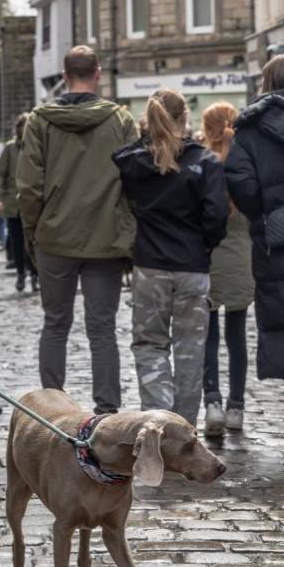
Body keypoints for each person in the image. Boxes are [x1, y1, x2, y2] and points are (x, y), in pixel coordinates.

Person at [18, 45, 138, 415]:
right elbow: (135, 181)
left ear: (65, 76)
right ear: (97, 73)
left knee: (55, 324)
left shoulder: (40, 120)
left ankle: (52, 407)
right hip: (107, 240)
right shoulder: (121, 120)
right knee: (102, 329)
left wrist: (32, 231)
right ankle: (107, 408)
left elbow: (28, 186)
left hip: (54, 237)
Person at [114, 89, 229, 426]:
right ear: (185, 118)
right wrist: (204, 244)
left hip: (150, 265)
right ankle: (183, 427)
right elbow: (216, 214)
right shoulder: (203, 162)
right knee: (191, 349)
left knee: (150, 345)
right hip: (193, 263)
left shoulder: (133, 163)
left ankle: (159, 423)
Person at [225, 53, 284, 459]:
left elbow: (241, 185)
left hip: (277, 247)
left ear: (265, 85)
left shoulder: (250, 131)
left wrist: (266, 215)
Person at [200, 102, 254, 438]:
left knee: (208, 335)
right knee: (237, 337)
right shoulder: (245, 162)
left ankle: (212, 403)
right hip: (240, 258)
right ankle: (236, 408)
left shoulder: (203, 163)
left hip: (208, 258)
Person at [0, 114, 37, 293]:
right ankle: (21, 273)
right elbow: (0, 175)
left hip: (34, 204)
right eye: (23, 127)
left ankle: (35, 275)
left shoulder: (37, 146)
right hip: (13, 204)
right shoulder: (10, 149)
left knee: (35, 243)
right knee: (17, 242)